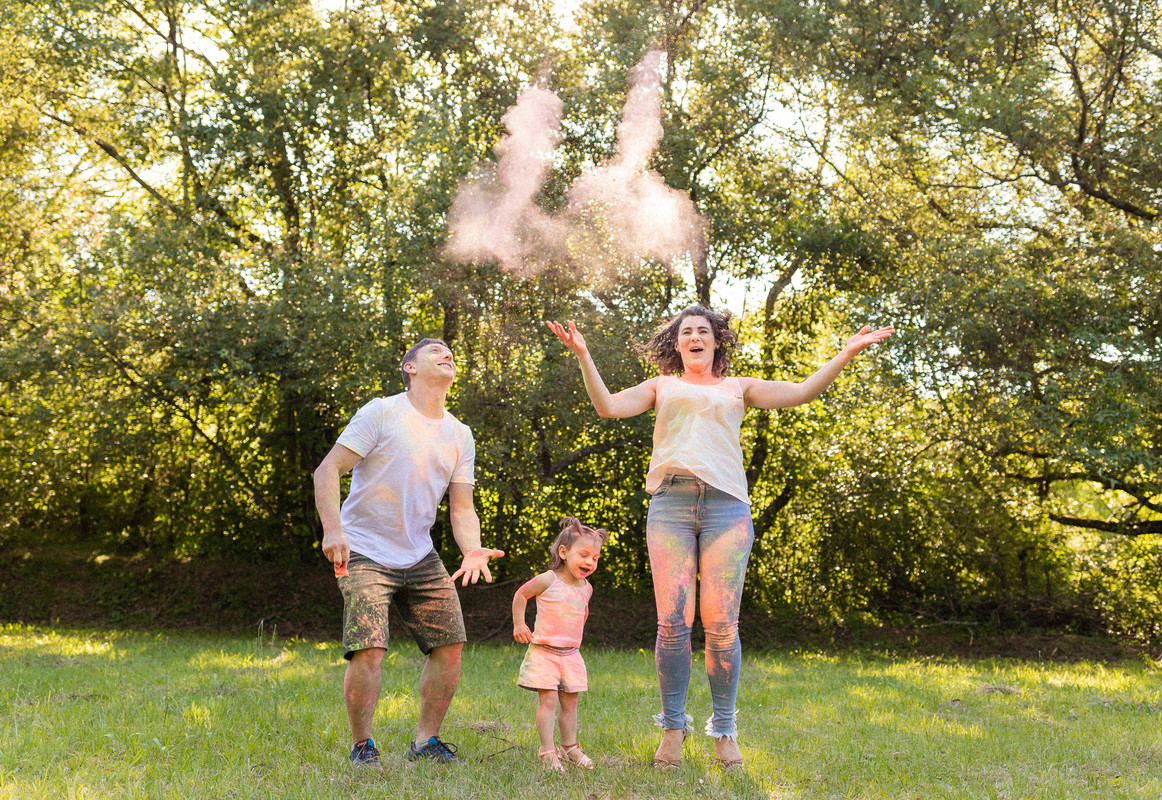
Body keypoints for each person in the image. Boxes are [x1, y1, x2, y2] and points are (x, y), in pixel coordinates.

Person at [547, 307, 892, 769]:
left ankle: (725, 731)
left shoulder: (738, 387)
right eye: (686, 332)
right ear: (676, 344)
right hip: (670, 504)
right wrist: (584, 355)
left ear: (716, 341)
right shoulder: (661, 386)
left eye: (702, 331)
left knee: (722, 625)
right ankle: (672, 730)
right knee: (672, 624)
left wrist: (845, 353)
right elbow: (607, 406)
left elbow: (802, 392)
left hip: (727, 508)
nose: (694, 337)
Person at [312, 337, 505, 771]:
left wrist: (472, 550)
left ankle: (426, 741)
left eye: (449, 351)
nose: (446, 354)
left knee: (450, 644)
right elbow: (328, 470)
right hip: (363, 550)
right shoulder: (382, 412)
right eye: (434, 350)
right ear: (410, 367)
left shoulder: (460, 434)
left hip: (420, 555)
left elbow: (462, 508)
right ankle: (363, 746)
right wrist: (333, 529)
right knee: (370, 647)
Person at [511, 517, 607, 772]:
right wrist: (519, 624)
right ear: (563, 553)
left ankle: (569, 747)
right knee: (549, 701)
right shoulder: (549, 579)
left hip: (571, 656)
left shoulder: (586, 588)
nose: (590, 562)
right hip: (545, 653)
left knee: (570, 703)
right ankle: (547, 751)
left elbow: (582, 613)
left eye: (595, 558)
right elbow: (521, 594)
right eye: (584, 555)